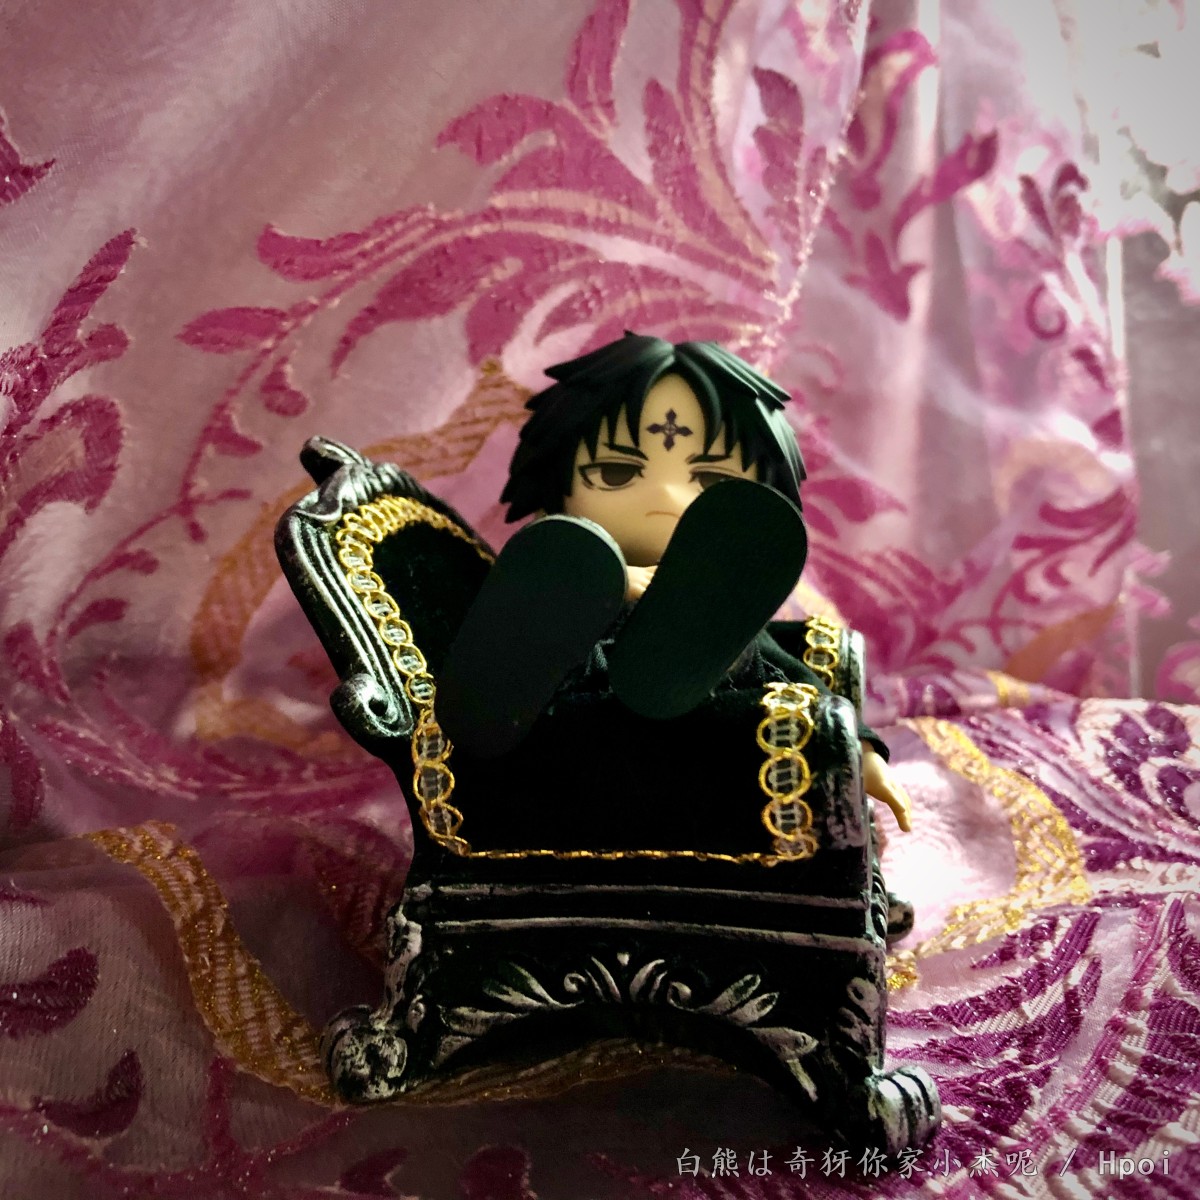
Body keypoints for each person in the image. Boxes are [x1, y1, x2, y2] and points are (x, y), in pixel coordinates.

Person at [436, 332, 911, 831]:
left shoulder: (720, 607)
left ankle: (669, 657)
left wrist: (855, 748)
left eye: (713, 481)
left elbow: (789, 672)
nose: (665, 495)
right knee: (560, 629)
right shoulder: (548, 578)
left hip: (698, 744)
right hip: (566, 728)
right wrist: (602, 580)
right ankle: (587, 584)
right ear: (556, 487)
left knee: (737, 660)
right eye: (616, 472)